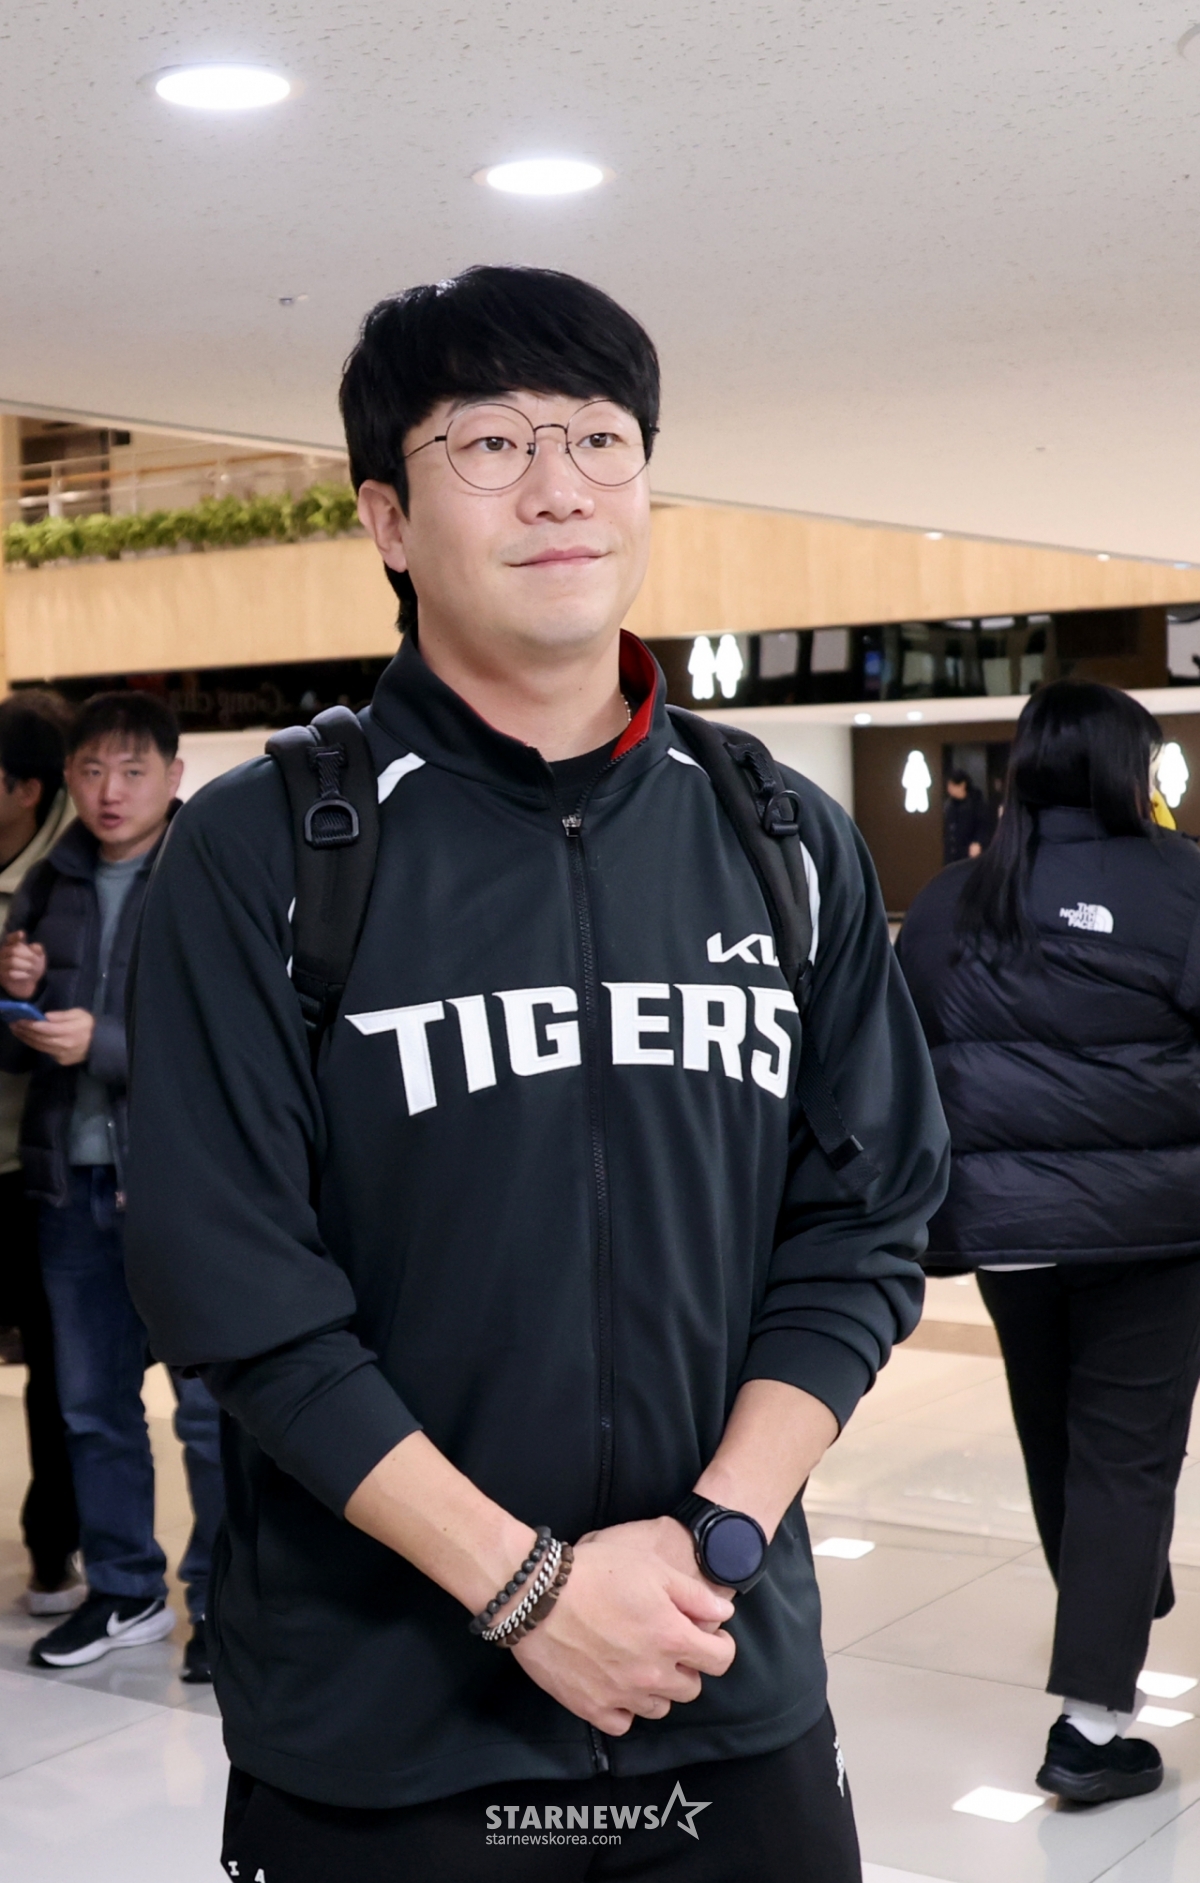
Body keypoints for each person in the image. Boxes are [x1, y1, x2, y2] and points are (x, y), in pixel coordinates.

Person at [125, 265, 948, 1882]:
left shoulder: (782, 836)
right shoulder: (264, 848)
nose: (559, 485)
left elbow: (865, 1224)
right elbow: (234, 1286)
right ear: (387, 516)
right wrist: (528, 1590)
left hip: (723, 1685)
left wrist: (715, 1536)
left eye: (598, 437)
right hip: (389, 1730)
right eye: (490, 443)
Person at [897, 680, 1200, 1807]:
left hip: (1010, 1231)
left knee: (1054, 1432)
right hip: (1156, 1231)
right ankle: (1089, 1726)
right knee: (1125, 1455)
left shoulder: (956, 898)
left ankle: (1113, 1591)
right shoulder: (1184, 882)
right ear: (1132, 769)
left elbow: (905, 1055)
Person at [0, 691, 223, 1682]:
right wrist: (16, 995)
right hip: (68, 1182)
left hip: (182, 1190)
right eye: (92, 770)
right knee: (90, 1406)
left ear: (173, 776)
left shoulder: (211, 871)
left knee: (212, 1416)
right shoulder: (50, 881)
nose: (110, 791)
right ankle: (125, 1588)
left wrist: (107, 1043)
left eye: (132, 770)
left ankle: (222, 1600)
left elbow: (238, 1039)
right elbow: (17, 1052)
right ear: (68, 779)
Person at [0, 690, 82, 1615]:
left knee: (62, 1374)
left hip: (40, 1161)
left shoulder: (65, 879)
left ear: (25, 789)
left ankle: (54, 1546)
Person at [942, 767, 989, 865]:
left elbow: (983, 827)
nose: (949, 789)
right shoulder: (949, 805)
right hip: (952, 854)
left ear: (962, 785)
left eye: (952, 785)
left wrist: (978, 842)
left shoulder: (977, 804)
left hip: (969, 853)